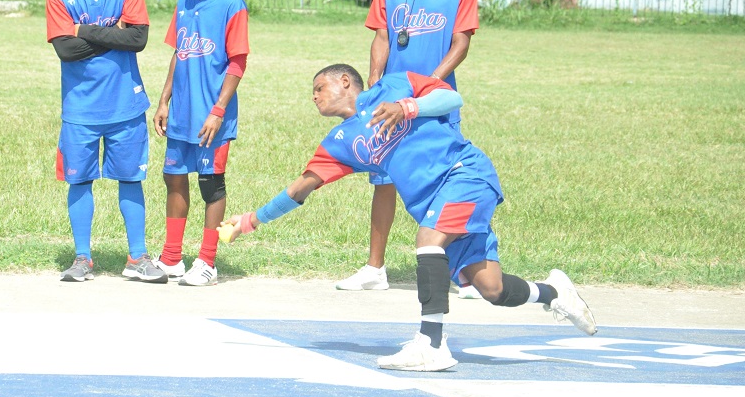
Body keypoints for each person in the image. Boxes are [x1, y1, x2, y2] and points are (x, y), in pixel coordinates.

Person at [221, 64, 597, 372]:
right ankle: (554, 292)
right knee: (492, 289)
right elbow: (299, 189)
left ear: (345, 81)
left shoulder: (395, 84)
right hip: (437, 202)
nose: (314, 96)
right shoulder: (339, 142)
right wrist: (250, 220)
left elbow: (451, 96)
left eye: (319, 87)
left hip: (464, 174)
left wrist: (407, 107)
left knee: (428, 241)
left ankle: (431, 345)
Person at [335, 0, 480, 298]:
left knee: (444, 182)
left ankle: (464, 272)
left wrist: (428, 86)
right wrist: (375, 85)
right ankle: (374, 269)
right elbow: (382, 37)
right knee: (383, 181)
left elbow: (461, 42)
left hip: (434, 100)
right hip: (391, 102)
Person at [46, 0, 165, 283]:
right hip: (80, 106)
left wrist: (84, 30)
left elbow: (138, 40)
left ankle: (137, 257)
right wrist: (113, 33)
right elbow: (65, 49)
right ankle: (83, 258)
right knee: (79, 180)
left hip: (124, 104)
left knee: (130, 179)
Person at [152, 0, 250, 286]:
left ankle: (207, 261)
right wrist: (164, 100)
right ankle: (172, 258)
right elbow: (180, 52)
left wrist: (218, 110)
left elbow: (237, 64)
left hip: (211, 116)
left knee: (211, 185)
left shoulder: (231, 4)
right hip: (181, 113)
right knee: (174, 178)